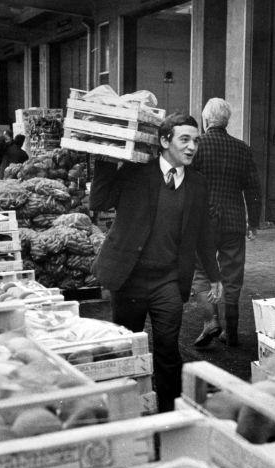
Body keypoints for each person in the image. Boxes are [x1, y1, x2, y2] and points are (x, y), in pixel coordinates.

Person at [90, 113, 223, 412]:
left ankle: (168, 417)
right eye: (184, 139)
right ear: (165, 141)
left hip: (168, 281)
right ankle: (126, 412)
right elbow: (98, 202)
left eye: (196, 141)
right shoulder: (136, 173)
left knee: (167, 350)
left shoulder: (197, 183)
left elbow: (203, 233)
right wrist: (105, 156)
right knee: (126, 348)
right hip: (129, 279)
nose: (192, 147)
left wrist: (214, 275)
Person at [190, 97, 262, 348]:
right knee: (233, 276)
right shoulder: (242, 148)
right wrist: (253, 222)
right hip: (233, 221)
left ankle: (211, 322)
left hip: (202, 222)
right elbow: (253, 189)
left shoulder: (197, 145)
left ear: (206, 119)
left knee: (201, 271)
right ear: (227, 120)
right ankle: (231, 332)